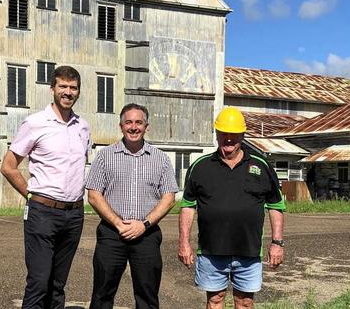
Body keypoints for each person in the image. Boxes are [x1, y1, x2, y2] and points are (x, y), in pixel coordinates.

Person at [0, 66, 91, 309]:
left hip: (74, 214)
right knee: (39, 281)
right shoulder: (35, 123)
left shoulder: (83, 127)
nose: (68, 92)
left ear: (79, 92)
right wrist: (30, 194)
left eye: (73, 88)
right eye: (63, 86)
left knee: (58, 284)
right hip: (43, 212)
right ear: (52, 88)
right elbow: (9, 166)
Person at [177, 107, 286, 309]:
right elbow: (187, 206)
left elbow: (275, 205)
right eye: (223, 134)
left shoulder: (261, 165)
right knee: (215, 300)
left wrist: (277, 243)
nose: (228, 139)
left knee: (245, 302)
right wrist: (184, 242)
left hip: (249, 251)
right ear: (217, 134)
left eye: (233, 135)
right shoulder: (200, 166)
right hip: (211, 250)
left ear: (242, 135)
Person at [85, 103, 178, 309]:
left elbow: (169, 198)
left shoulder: (160, 159)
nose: (133, 127)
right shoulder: (105, 156)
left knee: (147, 296)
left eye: (139, 122)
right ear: (121, 126)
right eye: (128, 122)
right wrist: (119, 224)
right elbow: (93, 195)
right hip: (111, 234)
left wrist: (143, 225)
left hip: (147, 234)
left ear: (147, 127)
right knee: (102, 294)